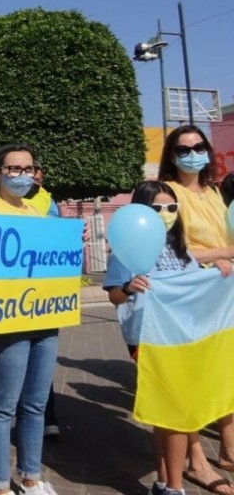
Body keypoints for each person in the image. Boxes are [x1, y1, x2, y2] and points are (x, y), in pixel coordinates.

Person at [0, 143, 59, 495]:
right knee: (2, 407)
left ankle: (31, 477)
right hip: (5, 323)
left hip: (44, 318)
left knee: (36, 404)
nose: (22, 175)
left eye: (28, 169)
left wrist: (71, 239)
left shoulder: (40, 215)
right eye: (13, 169)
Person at [104, 180, 198, 495]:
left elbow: (197, 285)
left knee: (169, 411)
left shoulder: (181, 247)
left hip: (184, 337)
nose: (166, 213)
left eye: (172, 207)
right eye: (158, 208)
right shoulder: (127, 244)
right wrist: (130, 287)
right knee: (177, 410)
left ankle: (164, 482)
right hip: (147, 338)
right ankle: (174, 486)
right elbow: (115, 297)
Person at [158, 125, 234, 494]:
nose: (192, 153)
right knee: (191, 383)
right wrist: (223, 254)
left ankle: (229, 449)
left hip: (222, 297)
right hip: (189, 297)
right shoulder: (167, 194)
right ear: (171, 156)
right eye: (183, 148)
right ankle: (196, 461)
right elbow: (172, 250)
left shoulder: (215, 192)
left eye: (198, 146)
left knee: (222, 375)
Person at [24, 165, 60, 440]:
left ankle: (47, 415)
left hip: (43, 294)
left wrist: (71, 236)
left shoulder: (49, 202)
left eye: (35, 173)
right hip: (11, 293)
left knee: (40, 360)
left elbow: (58, 239)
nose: (31, 178)